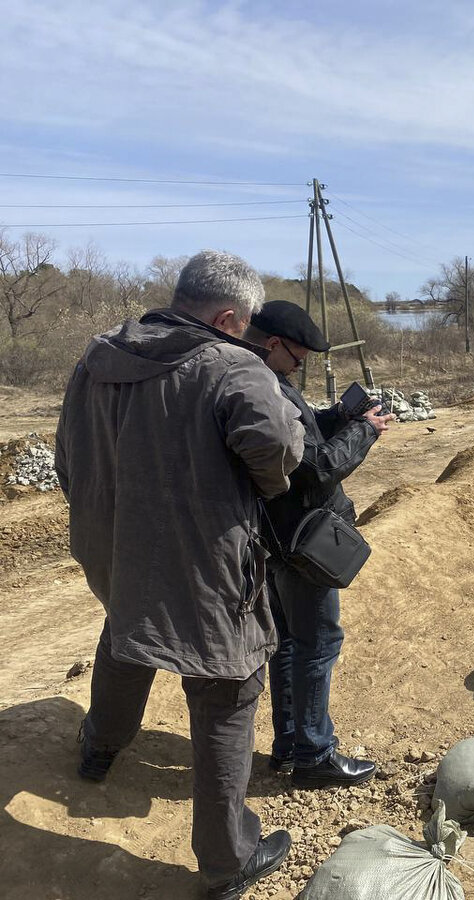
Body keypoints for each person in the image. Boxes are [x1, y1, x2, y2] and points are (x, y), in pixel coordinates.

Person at [54, 250, 306, 900]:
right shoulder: (233, 367)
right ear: (228, 316)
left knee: (126, 633)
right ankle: (228, 861)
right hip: (205, 572)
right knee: (228, 689)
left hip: (117, 551)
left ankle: (98, 748)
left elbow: (67, 454)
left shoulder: (99, 354)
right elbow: (277, 453)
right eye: (245, 323)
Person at [243, 300, 395, 789]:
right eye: (298, 354)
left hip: (277, 536)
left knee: (289, 642)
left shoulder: (255, 382)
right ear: (272, 344)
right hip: (305, 538)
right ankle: (314, 755)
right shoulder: (267, 391)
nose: (303, 362)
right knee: (318, 644)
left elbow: (302, 443)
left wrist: (333, 417)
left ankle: (289, 745)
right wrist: (365, 431)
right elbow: (316, 471)